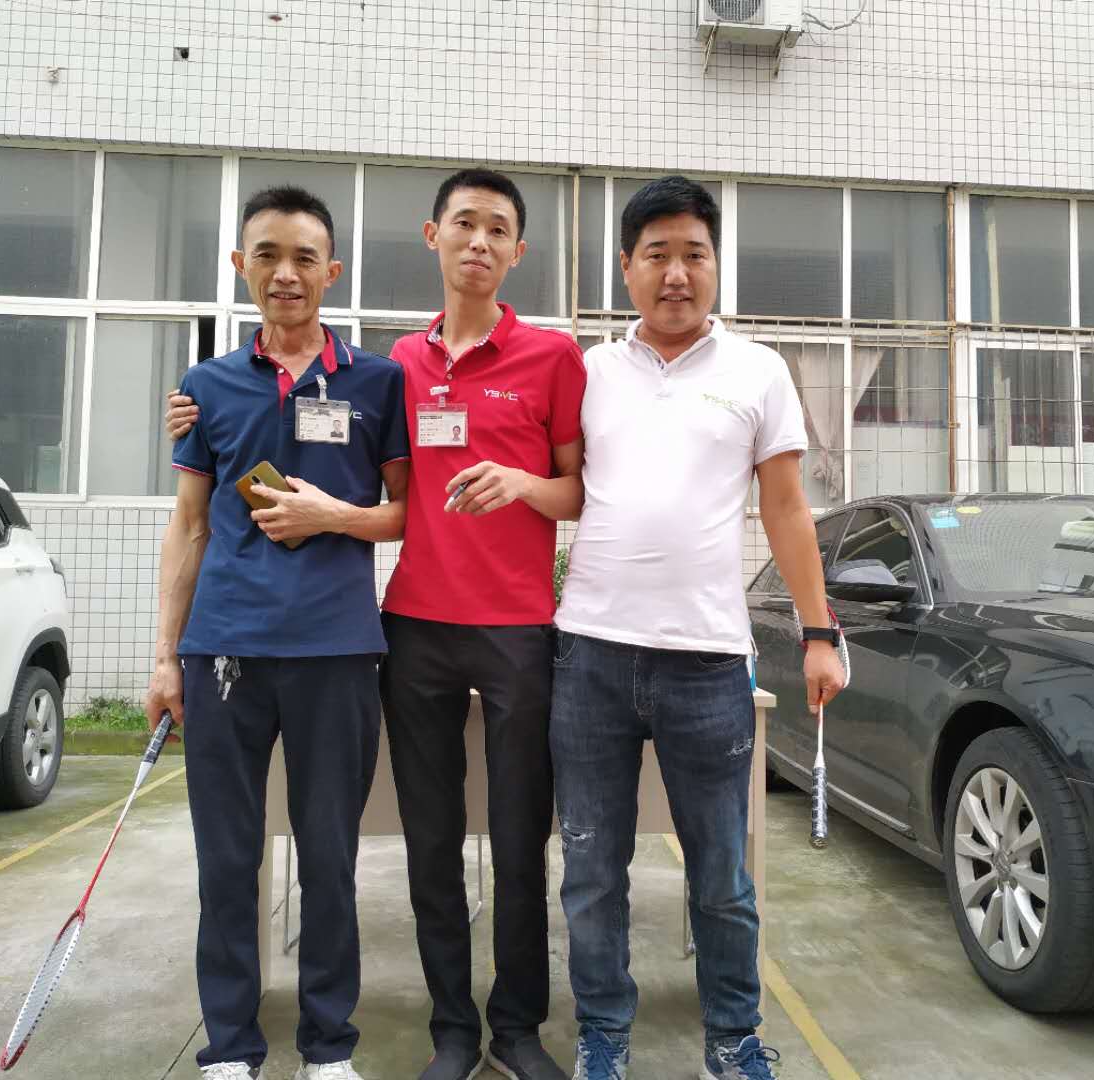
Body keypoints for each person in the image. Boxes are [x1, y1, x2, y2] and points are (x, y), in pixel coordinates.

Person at [166, 169, 585, 1080]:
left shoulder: (519, 361)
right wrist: (192, 409)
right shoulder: (393, 366)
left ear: (519, 250)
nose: (479, 242)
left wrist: (518, 485)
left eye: (498, 229)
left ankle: (507, 1029)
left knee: (515, 843)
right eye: (464, 223)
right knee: (420, 847)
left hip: (492, 631)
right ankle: (447, 1032)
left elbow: (573, 490)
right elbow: (206, 502)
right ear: (433, 236)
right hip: (401, 631)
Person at [551, 176, 846, 1080]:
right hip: (591, 654)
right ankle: (604, 1035)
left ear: (716, 264)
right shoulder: (589, 371)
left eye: (694, 254)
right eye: (657, 255)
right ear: (627, 268)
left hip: (709, 662)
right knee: (592, 871)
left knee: (721, 875)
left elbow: (787, 510)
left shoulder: (758, 371)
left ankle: (732, 1038)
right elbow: (556, 483)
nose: (676, 273)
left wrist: (820, 633)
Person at [146, 185, 410, 1080]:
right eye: (267, 255)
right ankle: (230, 1047)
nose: (285, 274)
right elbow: (188, 526)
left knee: (329, 858)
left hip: (336, 651)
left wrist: (333, 515)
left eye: (304, 257)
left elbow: (407, 514)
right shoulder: (207, 387)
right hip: (223, 651)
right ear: (240, 266)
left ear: (332, 270)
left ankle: (328, 1049)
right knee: (226, 859)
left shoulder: (377, 382)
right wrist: (165, 659)